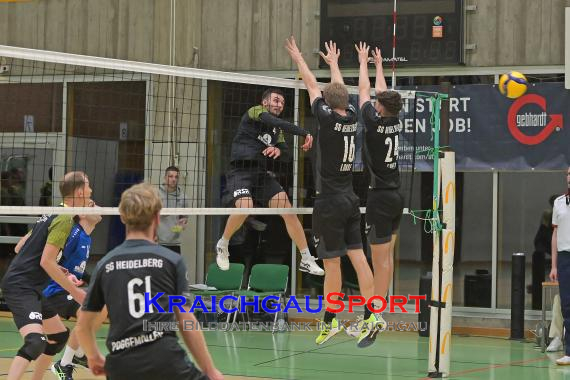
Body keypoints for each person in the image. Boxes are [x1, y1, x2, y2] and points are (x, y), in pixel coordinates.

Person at [76, 183, 223, 380]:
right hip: (165, 360)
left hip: (121, 364)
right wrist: (210, 370)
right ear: (157, 217)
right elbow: (185, 318)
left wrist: (93, 356)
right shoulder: (171, 260)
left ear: (122, 217)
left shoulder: (105, 264)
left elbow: (83, 326)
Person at [285, 36, 377, 347]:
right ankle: (372, 314)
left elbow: (312, 85)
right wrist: (335, 64)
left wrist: (299, 58)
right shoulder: (352, 116)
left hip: (329, 202)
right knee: (360, 258)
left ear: (327, 102)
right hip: (351, 199)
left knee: (333, 264)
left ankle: (331, 320)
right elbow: (337, 90)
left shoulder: (325, 118)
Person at [215, 87, 324, 276]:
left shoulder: (277, 130)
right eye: (276, 100)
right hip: (240, 171)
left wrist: (279, 151)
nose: (279, 104)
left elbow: (287, 154)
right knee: (245, 207)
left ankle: (306, 258)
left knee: (288, 210)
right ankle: (223, 244)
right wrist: (305, 133)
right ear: (265, 102)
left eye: (282, 102)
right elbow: (272, 120)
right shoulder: (255, 111)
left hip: (260, 175)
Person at [0, 171, 92, 380]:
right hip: (21, 286)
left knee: (58, 337)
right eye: (88, 187)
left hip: (32, 285)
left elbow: (20, 247)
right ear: (79, 192)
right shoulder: (65, 218)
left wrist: (56, 268)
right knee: (35, 341)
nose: (91, 190)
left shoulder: (53, 213)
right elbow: (45, 261)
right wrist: (76, 291)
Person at [345, 42, 404, 346]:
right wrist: (379, 63)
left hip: (380, 199)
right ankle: (374, 313)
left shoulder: (371, 119)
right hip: (396, 196)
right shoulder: (394, 119)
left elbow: (365, 90)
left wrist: (363, 63)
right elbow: (381, 93)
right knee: (386, 260)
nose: (375, 103)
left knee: (377, 260)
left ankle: (372, 315)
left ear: (381, 108)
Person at [28, 210, 106, 380]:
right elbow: (51, 259)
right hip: (53, 291)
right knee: (88, 311)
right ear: (83, 214)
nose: (99, 207)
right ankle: (64, 364)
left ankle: (76, 353)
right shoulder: (74, 232)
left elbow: (78, 270)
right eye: (92, 205)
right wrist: (66, 276)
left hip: (67, 290)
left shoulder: (86, 237)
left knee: (101, 306)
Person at [549, 166, 570, 365]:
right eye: (569, 174)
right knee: (566, 305)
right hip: (564, 258)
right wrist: (554, 265)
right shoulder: (559, 203)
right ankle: (569, 351)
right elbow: (555, 235)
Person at [157, 166, 189, 253]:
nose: (173, 179)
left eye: (176, 177)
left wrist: (180, 227)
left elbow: (184, 220)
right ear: (165, 177)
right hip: (157, 243)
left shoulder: (183, 197)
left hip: (175, 244)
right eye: (170, 176)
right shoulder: (156, 195)